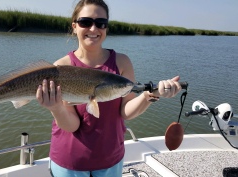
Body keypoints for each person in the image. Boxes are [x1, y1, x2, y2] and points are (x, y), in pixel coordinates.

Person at [36, 0, 182, 176]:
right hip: (69, 161)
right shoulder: (61, 67)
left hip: (110, 158)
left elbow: (126, 111)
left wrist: (150, 95)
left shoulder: (121, 62)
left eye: (101, 23)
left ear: (106, 28)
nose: (93, 29)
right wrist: (56, 108)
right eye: (85, 22)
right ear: (74, 26)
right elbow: (72, 126)